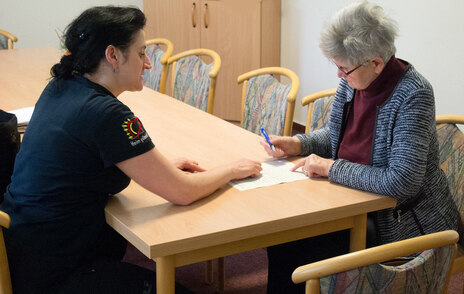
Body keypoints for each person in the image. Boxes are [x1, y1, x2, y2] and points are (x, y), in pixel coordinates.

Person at [0, 6, 262, 294]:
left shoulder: (62, 86)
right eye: (140, 53)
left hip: (21, 251)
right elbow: (183, 193)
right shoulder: (105, 113)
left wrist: (155, 167)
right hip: (57, 273)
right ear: (112, 55)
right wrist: (231, 170)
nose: (148, 64)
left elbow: (89, 160)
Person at [260, 2, 460, 293]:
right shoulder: (354, 81)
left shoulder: (414, 94)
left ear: (376, 63)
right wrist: (298, 143)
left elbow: (401, 182)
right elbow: (336, 136)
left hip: (401, 220)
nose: (339, 76)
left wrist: (331, 168)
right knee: (282, 235)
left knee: (307, 246)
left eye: (344, 68)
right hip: (351, 201)